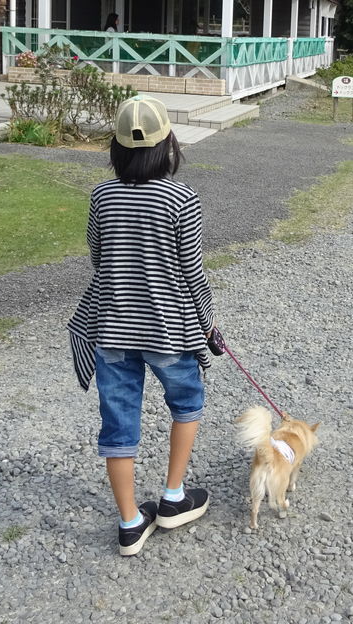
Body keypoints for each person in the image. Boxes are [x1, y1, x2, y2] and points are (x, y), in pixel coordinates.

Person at [67, 95, 216, 556]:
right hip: (170, 331)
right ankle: (173, 497)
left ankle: (130, 523)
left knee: (118, 426)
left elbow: (98, 259)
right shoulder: (180, 198)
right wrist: (208, 323)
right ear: (167, 143)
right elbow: (192, 270)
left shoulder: (101, 196)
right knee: (187, 401)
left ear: (116, 147)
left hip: (112, 331)